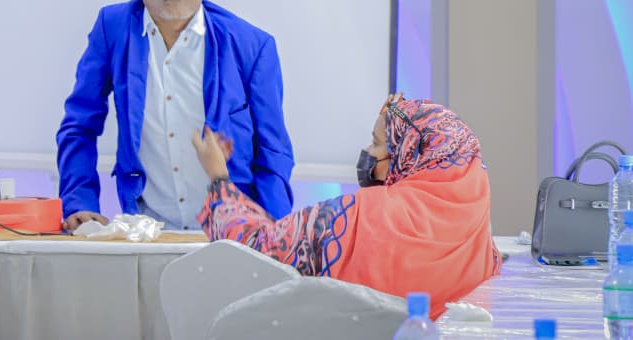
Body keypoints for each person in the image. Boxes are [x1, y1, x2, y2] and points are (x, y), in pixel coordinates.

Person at [56, 0, 295, 231]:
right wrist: (80, 202)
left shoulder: (251, 45)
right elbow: (79, 125)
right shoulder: (113, 29)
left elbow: (274, 149)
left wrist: (272, 231)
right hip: (146, 231)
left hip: (231, 232)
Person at [191, 94, 501, 320]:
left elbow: (252, 250)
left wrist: (219, 178)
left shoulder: (348, 217)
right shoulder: (482, 246)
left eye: (377, 142)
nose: (368, 151)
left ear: (407, 154)